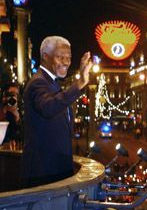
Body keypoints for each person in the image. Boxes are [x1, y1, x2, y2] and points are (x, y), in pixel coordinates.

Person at [20, 36, 93, 187]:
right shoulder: (38, 82)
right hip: (43, 173)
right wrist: (79, 83)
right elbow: (48, 108)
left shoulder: (51, 83)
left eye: (69, 58)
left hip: (56, 170)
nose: (66, 62)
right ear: (45, 57)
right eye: (60, 57)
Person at [0, 82, 21, 150]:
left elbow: (19, 138)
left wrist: (17, 117)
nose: (13, 98)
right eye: (11, 94)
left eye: (16, 95)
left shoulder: (19, 112)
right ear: (4, 96)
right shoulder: (2, 111)